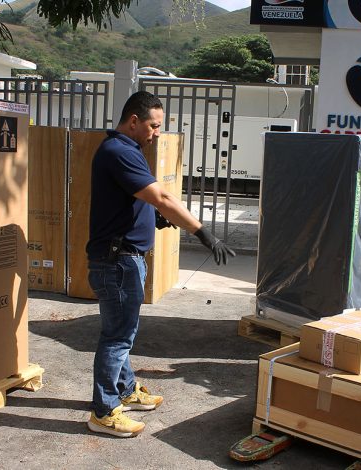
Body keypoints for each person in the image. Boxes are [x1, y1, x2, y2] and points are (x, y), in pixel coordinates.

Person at [85, 91, 236, 437]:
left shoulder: (126, 150)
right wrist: (204, 234)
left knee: (122, 332)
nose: (156, 132)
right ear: (134, 121)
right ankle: (104, 410)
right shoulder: (119, 150)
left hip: (121, 258)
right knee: (117, 337)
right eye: (153, 126)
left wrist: (151, 218)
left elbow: (133, 199)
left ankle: (124, 390)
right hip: (118, 261)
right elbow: (163, 196)